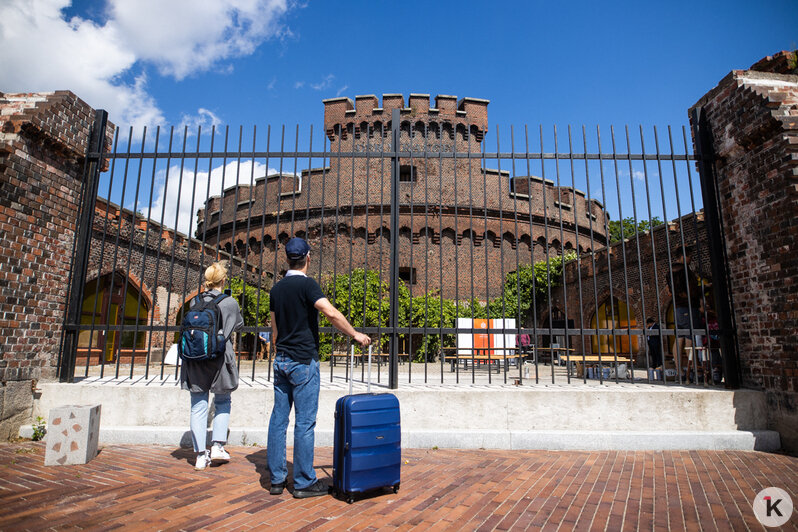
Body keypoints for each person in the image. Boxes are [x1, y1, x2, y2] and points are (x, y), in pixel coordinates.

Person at [267, 237, 371, 498]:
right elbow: (330, 313)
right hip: (303, 361)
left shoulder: (277, 289)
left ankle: (277, 479)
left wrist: (279, 350)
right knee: (304, 423)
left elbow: (274, 327)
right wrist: (355, 334)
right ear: (308, 258)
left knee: (278, 420)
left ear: (288, 259)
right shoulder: (307, 285)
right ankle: (303, 482)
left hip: (281, 360)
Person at [181, 261, 244, 471]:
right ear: (223, 280)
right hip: (220, 358)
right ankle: (217, 446)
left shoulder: (194, 302)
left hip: (195, 358)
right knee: (223, 400)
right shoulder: (230, 302)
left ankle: (200, 455)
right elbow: (238, 325)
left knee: (198, 405)